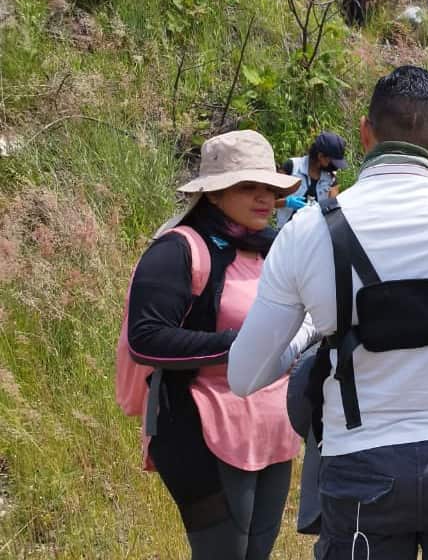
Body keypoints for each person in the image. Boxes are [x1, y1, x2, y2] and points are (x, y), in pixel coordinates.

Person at [229, 65, 428, 560]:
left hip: (360, 469)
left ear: (365, 133)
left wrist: (312, 328)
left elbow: (245, 376)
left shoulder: (309, 232)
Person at [125, 129, 315, 559]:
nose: (263, 196)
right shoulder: (178, 250)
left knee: (257, 552)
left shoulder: (273, 250)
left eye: (269, 186)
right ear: (212, 194)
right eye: (247, 186)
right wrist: (241, 345)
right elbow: (147, 337)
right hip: (202, 425)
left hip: (272, 426)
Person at [276, 131, 347, 227]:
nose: (335, 166)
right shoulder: (292, 167)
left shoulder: (331, 179)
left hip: (312, 235)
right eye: (332, 161)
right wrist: (287, 202)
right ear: (321, 156)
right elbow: (270, 202)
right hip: (285, 233)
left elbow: (333, 212)